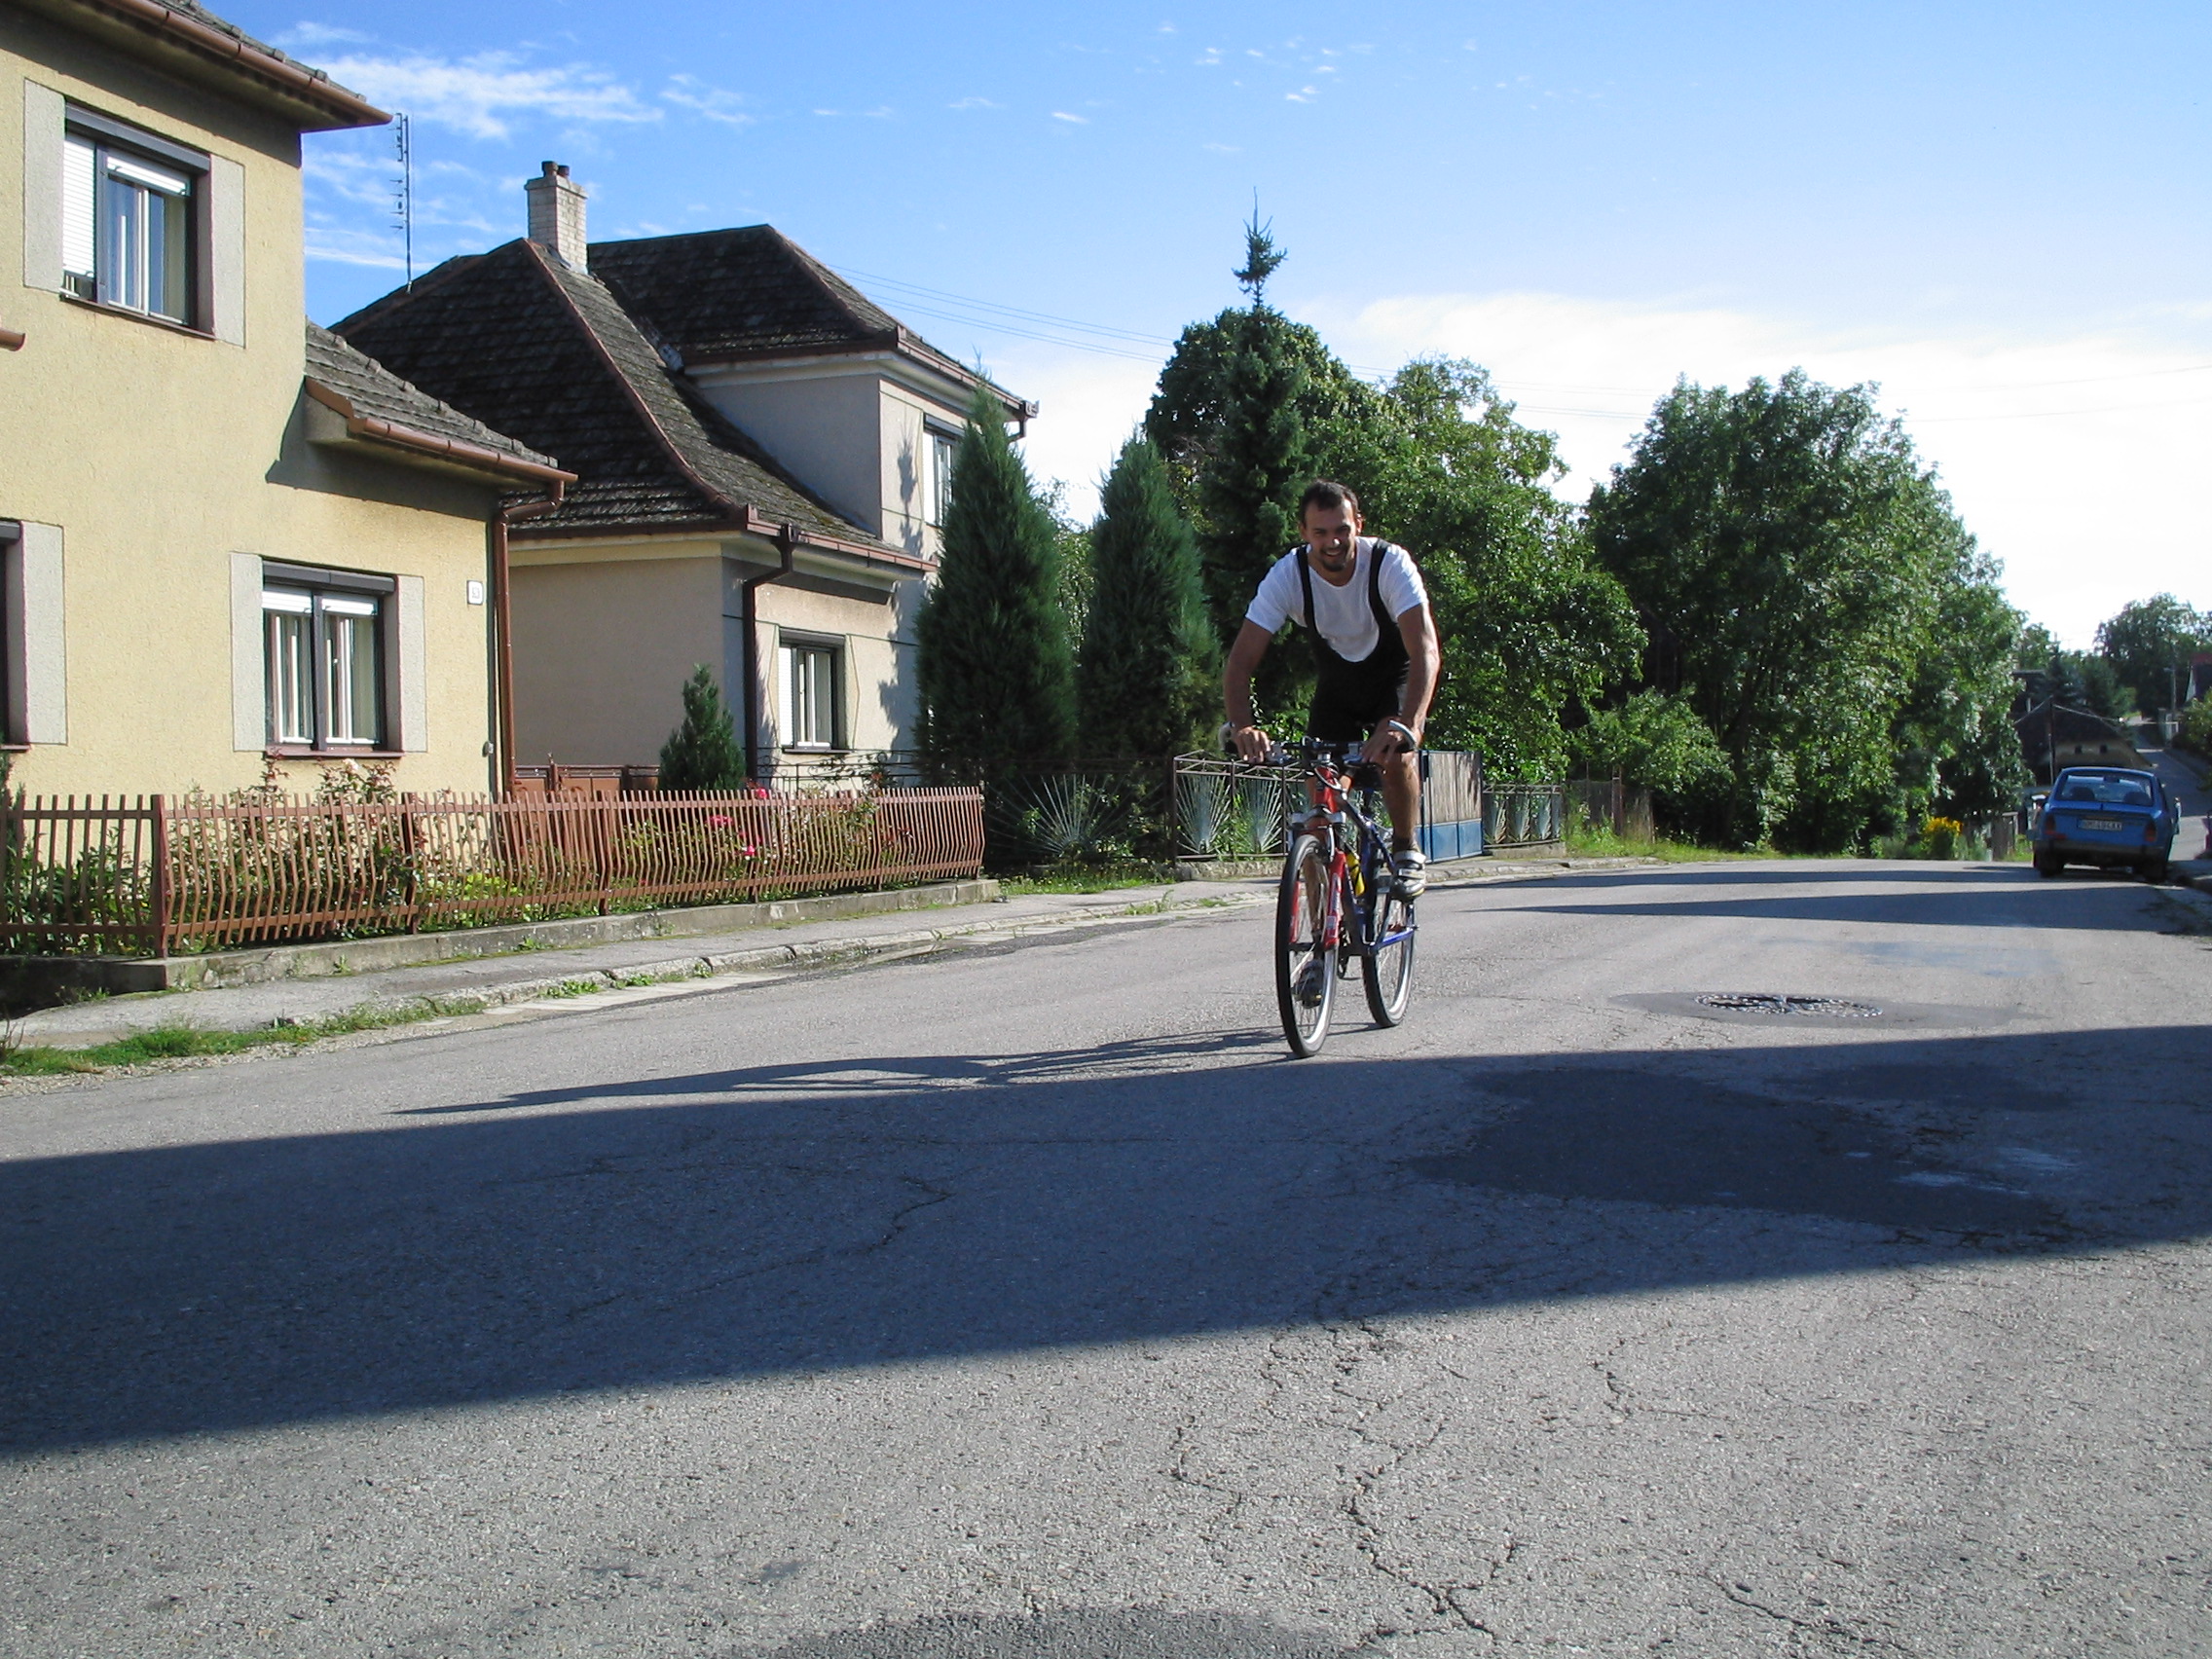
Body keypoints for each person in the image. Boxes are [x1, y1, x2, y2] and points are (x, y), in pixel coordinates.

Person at [1223, 479, 1440, 897]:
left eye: (1342, 529)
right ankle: (1325, 923)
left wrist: (1409, 723)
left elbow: (1426, 650)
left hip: (1392, 681)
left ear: (1358, 524)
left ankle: (1405, 849)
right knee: (1318, 804)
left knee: (1397, 756)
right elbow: (1240, 661)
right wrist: (1242, 725)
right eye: (1320, 532)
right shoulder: (1288, 574)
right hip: (1337, 689)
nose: (1333, 542)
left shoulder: (1389, 564)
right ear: (1304, 532)